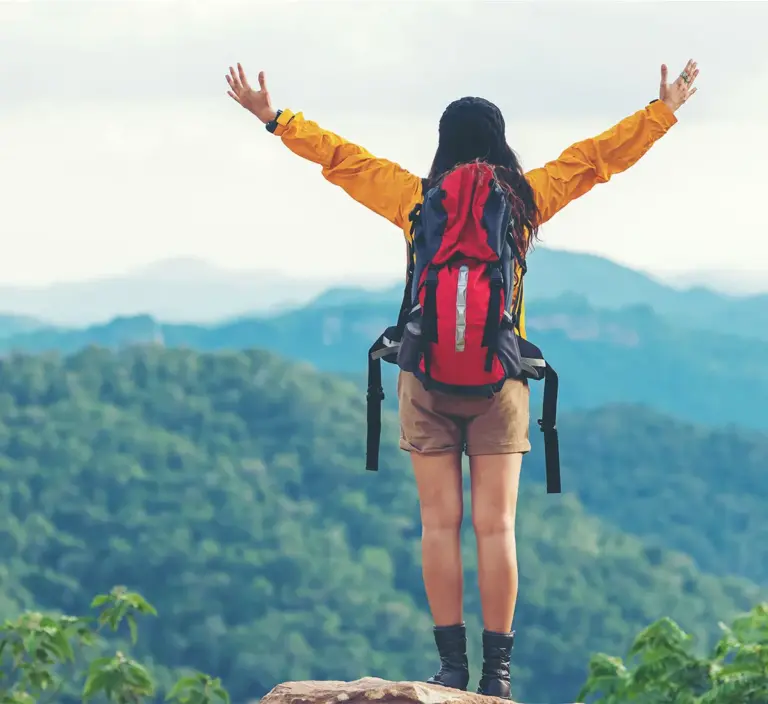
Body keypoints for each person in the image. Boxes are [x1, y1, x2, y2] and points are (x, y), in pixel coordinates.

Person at [225, 59, 699, 699]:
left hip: (424, 380)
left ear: (443, 144)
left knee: (439, 525)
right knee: (496, 527)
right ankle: (496, 677)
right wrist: (661, 112)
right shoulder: (525, 200)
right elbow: (594, 160)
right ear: (501, 143)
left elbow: (343, 160)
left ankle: (450, 668)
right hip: (500, 382)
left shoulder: (417, 200)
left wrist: (274, 118)